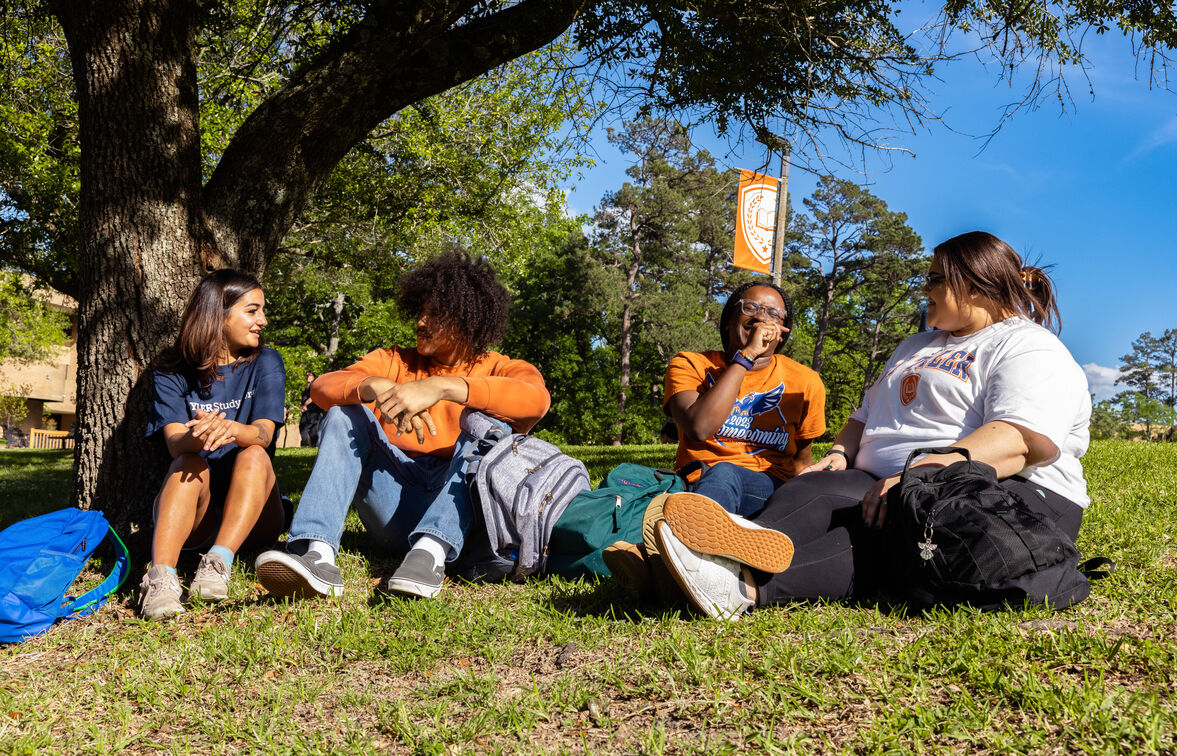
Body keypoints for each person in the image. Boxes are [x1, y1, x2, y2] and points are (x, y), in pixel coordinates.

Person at [652, 231, 1092, 620]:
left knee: (891, 525)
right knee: (811, 491)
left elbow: (1019, 441)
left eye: (936, 279)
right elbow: (865, 416)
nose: (926, 289)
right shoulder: (916, 345)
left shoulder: (1028, 346)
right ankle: (711, 554)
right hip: (892, 479)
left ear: (974, 286)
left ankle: (742, 586)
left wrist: (920, 475)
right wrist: (840, 455)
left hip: (1003, 493)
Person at [254, 249, 550, 600]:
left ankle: (429, 554)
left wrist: (442, 387)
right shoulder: (393, 361)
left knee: (487, 429)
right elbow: (321, 388)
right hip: (393, 503)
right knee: (343, 413)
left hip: (462, 508)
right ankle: (315, 555)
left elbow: (536, 401)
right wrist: (370, 386)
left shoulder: (501, 367)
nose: (421, 322)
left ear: (467, 319)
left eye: (435, 314)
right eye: (420, 311)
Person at [603, 281, 826, 602]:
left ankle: (658, 566)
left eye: (774, 314)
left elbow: (801, 460)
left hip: (766, 489)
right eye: (751, 307)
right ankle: (705, 561)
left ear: (783, 332)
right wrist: (746, 356)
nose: (761, 317)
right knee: (720, 473)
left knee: (727, 474)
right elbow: (699, 427)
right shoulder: (691, 364)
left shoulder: (805, 381)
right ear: (727, 321)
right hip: (693, 484)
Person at [140, 269, 287, 620]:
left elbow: (264, 435)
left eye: (261, 311)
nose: (262, 321)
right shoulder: (171, 369)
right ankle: (160, 579)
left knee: (253, 454)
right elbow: (176, 444)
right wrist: (202, 434)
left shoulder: (266, 362)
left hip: (257, 516)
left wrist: (232, 429)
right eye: (252, 311)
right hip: (197, 514)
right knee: (187, 462)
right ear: (218, 315)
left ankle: (218, 563)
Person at [298, 370, 324, 447]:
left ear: (313, 377)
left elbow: (313, 397)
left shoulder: (314, 385)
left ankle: (305, 444)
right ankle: (314, 445)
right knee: (313, 430)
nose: (307, 377)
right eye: (306, 375)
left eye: (310, 375)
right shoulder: (307, 387)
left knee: (304, 427)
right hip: (309, 411)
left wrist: (305, 405)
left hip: (313, 411)